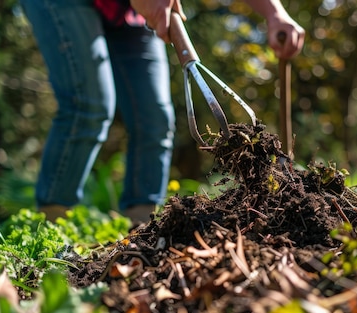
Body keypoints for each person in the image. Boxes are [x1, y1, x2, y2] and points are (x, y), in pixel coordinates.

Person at [20, 0, 304, 224]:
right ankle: (51, 224)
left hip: (129, 12)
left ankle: (141, 226)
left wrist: (275, 12)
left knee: (154, 116)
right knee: (89, 105)